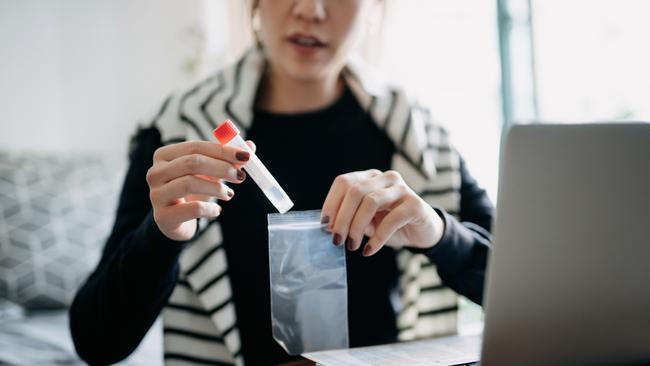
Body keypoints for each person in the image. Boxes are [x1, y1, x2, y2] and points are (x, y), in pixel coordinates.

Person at [70, 0, 494, 365]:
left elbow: (530, 295)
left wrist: (437, 232)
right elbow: (96, 342)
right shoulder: (180, 131)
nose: (310, 10)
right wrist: (162, 235)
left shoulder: (417, 137)